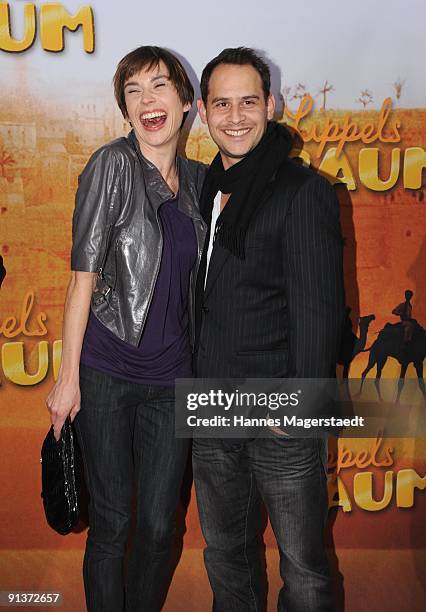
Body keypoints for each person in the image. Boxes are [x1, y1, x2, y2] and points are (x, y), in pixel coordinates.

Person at [46, 46, 207, 612]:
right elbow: (81, 279)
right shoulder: (111, 165)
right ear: (124, 109)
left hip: (173, 378)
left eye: (160, 86)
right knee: (113, 521)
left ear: (187, 103)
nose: (147, 101)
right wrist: (69, 380)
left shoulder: (202, 183)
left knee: (161, 526)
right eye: (133, 92)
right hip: (108, 371)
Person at [192, 47, 346, 611]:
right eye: (223, 104)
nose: (236, 117)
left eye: (248, 102)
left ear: (271, 105)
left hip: (277, 411)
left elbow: (318, 312)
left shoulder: (301, 191)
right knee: (226, 555)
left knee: (303, 569)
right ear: (204, 113)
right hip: (210, 409)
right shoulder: (206, 189)